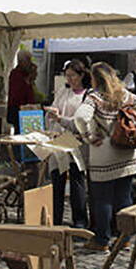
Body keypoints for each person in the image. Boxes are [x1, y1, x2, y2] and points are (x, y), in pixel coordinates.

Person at [74, 62, 136, 251]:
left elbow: (81, 118)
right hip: (126, 152)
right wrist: (126, 123)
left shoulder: (94, 97)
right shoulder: (124, 94)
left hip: (104, 154)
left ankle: (102, 240)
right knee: (124, 199)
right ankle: (124, 238)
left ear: (95, 79)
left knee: (102, 199)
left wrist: (89, 135)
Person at [44, 59, 90, 229]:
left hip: (76, 143)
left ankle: (79, 221)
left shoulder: (87, 95)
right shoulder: (64, 91)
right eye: (67, 76)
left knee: (77, 180)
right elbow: (55, 108)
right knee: (57, 179)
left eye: (72, 76)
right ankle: (55, 219)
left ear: (81, 75)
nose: (69, 79)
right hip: (59, 140)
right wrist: (53, 112)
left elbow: (82, 121)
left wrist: (62, 118)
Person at [7, 50, 36, 130]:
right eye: (28, 60)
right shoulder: (15, 74)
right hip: (18, 109)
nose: (30, 63)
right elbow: (18, 93)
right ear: (22, 61)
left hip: (28, 109)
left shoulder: (26, 73)